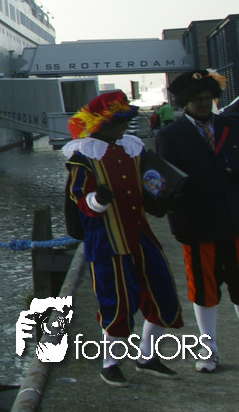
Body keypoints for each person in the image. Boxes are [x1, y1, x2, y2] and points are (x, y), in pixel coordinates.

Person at [156, 70, 239, 373]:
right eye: (197, 99)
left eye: (208, 98)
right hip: (199, 227)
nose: (204, 104)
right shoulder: (170, 136)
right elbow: (167, 185)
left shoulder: (232, 127)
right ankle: (208, 349)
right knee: (204, 290)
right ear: (184, 102)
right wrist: (179, 226)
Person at [64, 90, 184, 386]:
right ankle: (110, 362)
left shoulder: (133, 150)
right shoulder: (84, 157)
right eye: (119, 122)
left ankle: (147, 356)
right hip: (108, 239)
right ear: (102, 125)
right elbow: (79, 197)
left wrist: (167, 194)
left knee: (162, 292)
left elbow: (151, 184)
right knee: (117, 302)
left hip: (140, 234)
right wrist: (98, 200)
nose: (124, 128)